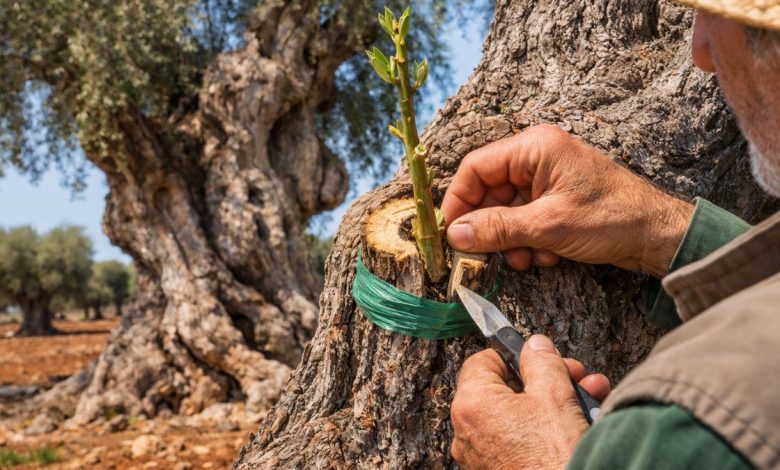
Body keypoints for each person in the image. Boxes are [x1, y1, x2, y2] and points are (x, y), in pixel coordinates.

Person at [444, 0, 780, 468]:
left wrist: (544, 460)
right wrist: (661, 231)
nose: (700, 50)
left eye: (726, 15)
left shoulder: (717, 429)